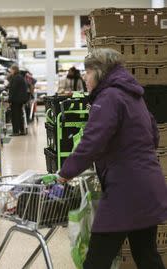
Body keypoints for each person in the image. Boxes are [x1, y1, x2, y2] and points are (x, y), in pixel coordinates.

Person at [58, 48, 167, 269]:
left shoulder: (109, 97)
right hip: (148, 184)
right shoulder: (133, 95)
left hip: (125, 189)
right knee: (146, 254)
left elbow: (92, 142)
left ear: (99, 72)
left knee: (97, 259)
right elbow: (153, 135)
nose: (85, 79)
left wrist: (64, 173)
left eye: (87, 73)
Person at [8, 65, 29, 136]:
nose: (10, 71)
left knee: (15, 116)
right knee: (19, 115)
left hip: (15, 100)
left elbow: (13, 90)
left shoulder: (15, 78)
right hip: (21, 99)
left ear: (14, 70)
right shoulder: (20, 77)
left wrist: (9, 100)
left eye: (11, 70)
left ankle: (16, 132)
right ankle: (22, 130)